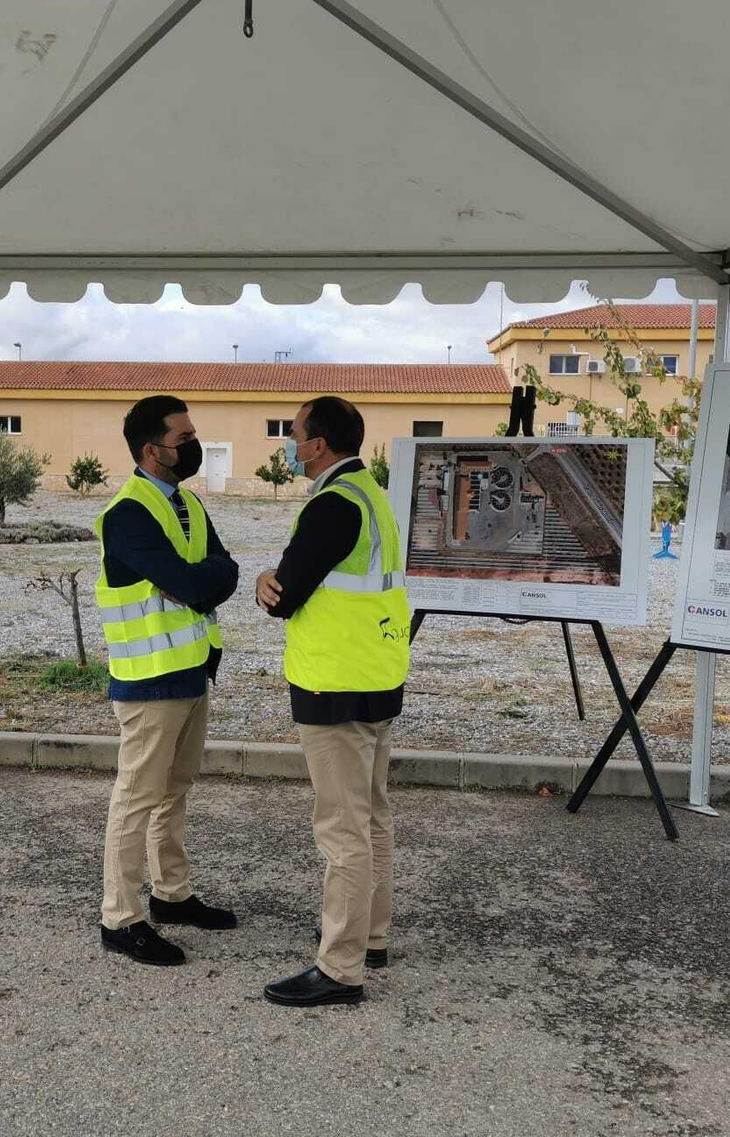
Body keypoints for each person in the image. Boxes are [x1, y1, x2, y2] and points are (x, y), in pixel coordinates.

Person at [255, 396, 409, 1007]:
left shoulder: (331, 503)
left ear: (318, 444)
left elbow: (285, 595)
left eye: (294, 435)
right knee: (371, 815)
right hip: (375, 671)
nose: (290, 445)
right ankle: (370, 934)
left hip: (334, 680)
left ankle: (341, 968)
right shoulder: (371, 495)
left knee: (342, 827)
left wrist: (269, 586)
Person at [95, 395, 241, 967]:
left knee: (173, 792)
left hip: (191, 671)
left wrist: (200, 580)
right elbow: (193, 579)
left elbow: (221, 571)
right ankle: (120, 916)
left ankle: (171, 895)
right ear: (152, 450)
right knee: (137, 798)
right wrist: (200, 580)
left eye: (193, 433)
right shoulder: (127, 513)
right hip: (149, 677)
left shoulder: (190, 506)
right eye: (184, 437)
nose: (194, 444)